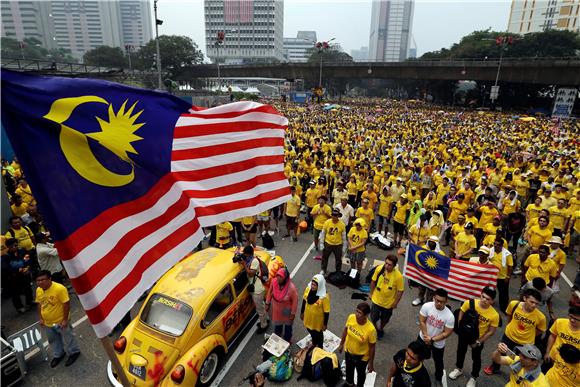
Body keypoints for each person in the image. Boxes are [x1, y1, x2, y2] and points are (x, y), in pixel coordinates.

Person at [484, 288, 546, 375]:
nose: (534, 305)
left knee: (521, 360)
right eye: (531, 302)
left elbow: (540, 330)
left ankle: (515, 375)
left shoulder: (541, 317)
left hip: (525, 343)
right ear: (524, 298)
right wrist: (511, 327)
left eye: (536, 303)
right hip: (509, 336)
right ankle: (494, 367)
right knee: (501, 352)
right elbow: (509, 316)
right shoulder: (514, 304)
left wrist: (528, 335)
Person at [448, 287, 500, 387]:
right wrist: (460, 331)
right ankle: (458, 369)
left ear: (492, 301)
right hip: (464, 335)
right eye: (483, 296)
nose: (484, 300)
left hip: (478, 339)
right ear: (480, 295)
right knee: (460, 352)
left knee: (476, 358)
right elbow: (460, 316)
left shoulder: (494, 315)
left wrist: (479, 341)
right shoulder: (469, 303)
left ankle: (474, 377)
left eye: (488, 299)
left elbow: (491, 332)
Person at [35, 270, 81, 367]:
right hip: (47, 322)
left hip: (61, 321)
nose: (40, 282)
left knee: (68, 337)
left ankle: (74, 352)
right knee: (53, 339)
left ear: (50, 279)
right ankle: (59, 354)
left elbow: (66, 304)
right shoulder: (39, 290)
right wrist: (41, 318)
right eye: (38, 280)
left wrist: (65, 320)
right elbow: (39, 304)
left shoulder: (59, 289)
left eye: (42, 280)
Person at [418, 288, 455, 387]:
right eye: (437, 300)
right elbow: (422, 321)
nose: (439, 303)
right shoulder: (427, 306)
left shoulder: (450, 316)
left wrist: (432, 339)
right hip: (423, 338)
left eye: (442, 302)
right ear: (434, 298)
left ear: (446, 301)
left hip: (438, 343)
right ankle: (416, 372)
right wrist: (426, 336)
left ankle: (438, 378)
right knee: (418, 356)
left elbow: (446, 333)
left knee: (438, 362)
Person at [338, 302, 376, 387]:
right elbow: (345, 330)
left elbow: (372, 347)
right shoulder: (351, 317)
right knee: (349, 370)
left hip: (361, 358)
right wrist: (341, 344)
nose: (357, 314)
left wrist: (370, 363)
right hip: (348, 351)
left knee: (361, 374)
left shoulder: (371, 329)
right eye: (357, 311)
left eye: (360, 313)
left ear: (366, 315)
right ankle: (349, 383)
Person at [370, 255, 404, 340]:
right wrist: (371, 294)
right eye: (386, 263)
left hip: (388, 304)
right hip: (376, 300)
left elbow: (400, 291)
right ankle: (376, 329)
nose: (387, 266)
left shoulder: (398, 276)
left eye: (390, 265)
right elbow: (373, 281)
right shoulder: (379, 269)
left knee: (385, 319)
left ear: (394, 266)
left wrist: (395, 303)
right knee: (373, 317)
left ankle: (381, 329)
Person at [238, 246, 269, 333]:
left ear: (249, 254)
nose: (244, 255)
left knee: (259, 309)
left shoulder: (254, 261)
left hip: (258, 290)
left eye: (245, 254)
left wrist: (244, 264)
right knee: (261, 306)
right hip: (257, 287)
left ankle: (264, 325)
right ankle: (266, 319)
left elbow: (251, 274)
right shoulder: (251, 259)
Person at [2, 238, 34, 313]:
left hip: (25, 274)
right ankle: (19, 307)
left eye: (16, 245)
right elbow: (6, 267)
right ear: (8, 247)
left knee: (28, 288)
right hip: (14, 277)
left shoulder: (22, 251)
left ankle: (30, 301)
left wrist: (28, 267)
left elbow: (28, 259)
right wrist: (17, 269)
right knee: (15, 293)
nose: (15, 247)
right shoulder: (5, 256)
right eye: (12, 246)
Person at [544, 306, 580, 372]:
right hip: (552, 358)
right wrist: (547, 352)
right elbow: (552, 336)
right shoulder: (560, 322)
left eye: (576, 319)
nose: (572, 320)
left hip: (569, 365)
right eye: (571, 316)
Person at [266, 268, 297, 342]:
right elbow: (269, 292)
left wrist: (293, 313)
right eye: (277, 276)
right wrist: (267, 303)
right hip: (276, 309)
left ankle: (287, 339)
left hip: (287, 311)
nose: (278, 278)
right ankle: (278, 336)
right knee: (278, 325)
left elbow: (295, 301)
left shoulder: (291, 288)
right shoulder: (274, 282)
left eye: (281, 277)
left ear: (285, 279)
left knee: (288, 327)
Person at [300, 274, 330, 348]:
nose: (312, 286)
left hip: (317, 322)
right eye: (312, 284)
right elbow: (304, 300)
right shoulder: (308, 289)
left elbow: (326, 311)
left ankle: (320, 346)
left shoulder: (324, 296)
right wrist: (302, 312)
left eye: (315, 285)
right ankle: (314, 342)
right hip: (308, 317)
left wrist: (325, 324)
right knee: (310, 330)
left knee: (318, 334)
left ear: (319, 286)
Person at [320, 208, 347, 276]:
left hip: (338, 244)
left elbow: (344, 236)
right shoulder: (327, 222)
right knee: (324, 258)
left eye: (336, 215)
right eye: (333, 215)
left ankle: (338, 271)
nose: (334, 217)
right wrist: (321, 243)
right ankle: (323, 269)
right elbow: (323, 233)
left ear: (338, 216)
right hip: (328, 243)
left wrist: (344, 246)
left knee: (338, 259)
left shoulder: (342, 224)